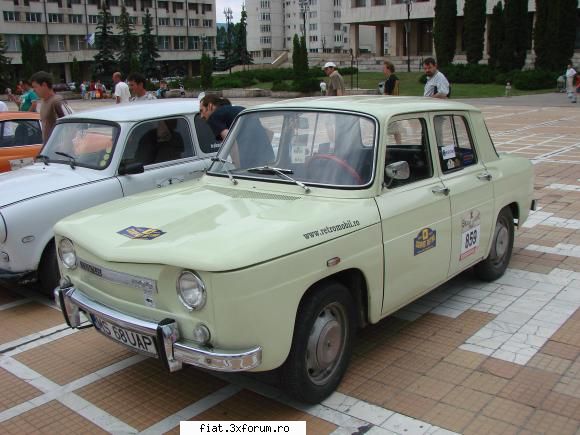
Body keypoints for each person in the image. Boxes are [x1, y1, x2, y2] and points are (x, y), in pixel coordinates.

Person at [200, 95, 273, 167]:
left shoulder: (214, 117)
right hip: (269, 158)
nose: (201, 116)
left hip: (250, 164)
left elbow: (230, 141)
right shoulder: (241, 109)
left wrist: (238, 168)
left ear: (210, 106)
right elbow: (269, 132)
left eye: (202, 110)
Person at [30, 71, 74, 144]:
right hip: (49, 149)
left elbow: (72, 122)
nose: (34, 90)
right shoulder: (43, 101)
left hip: (58, 150)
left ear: (44, 85)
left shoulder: (57, 101)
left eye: (35, 87)